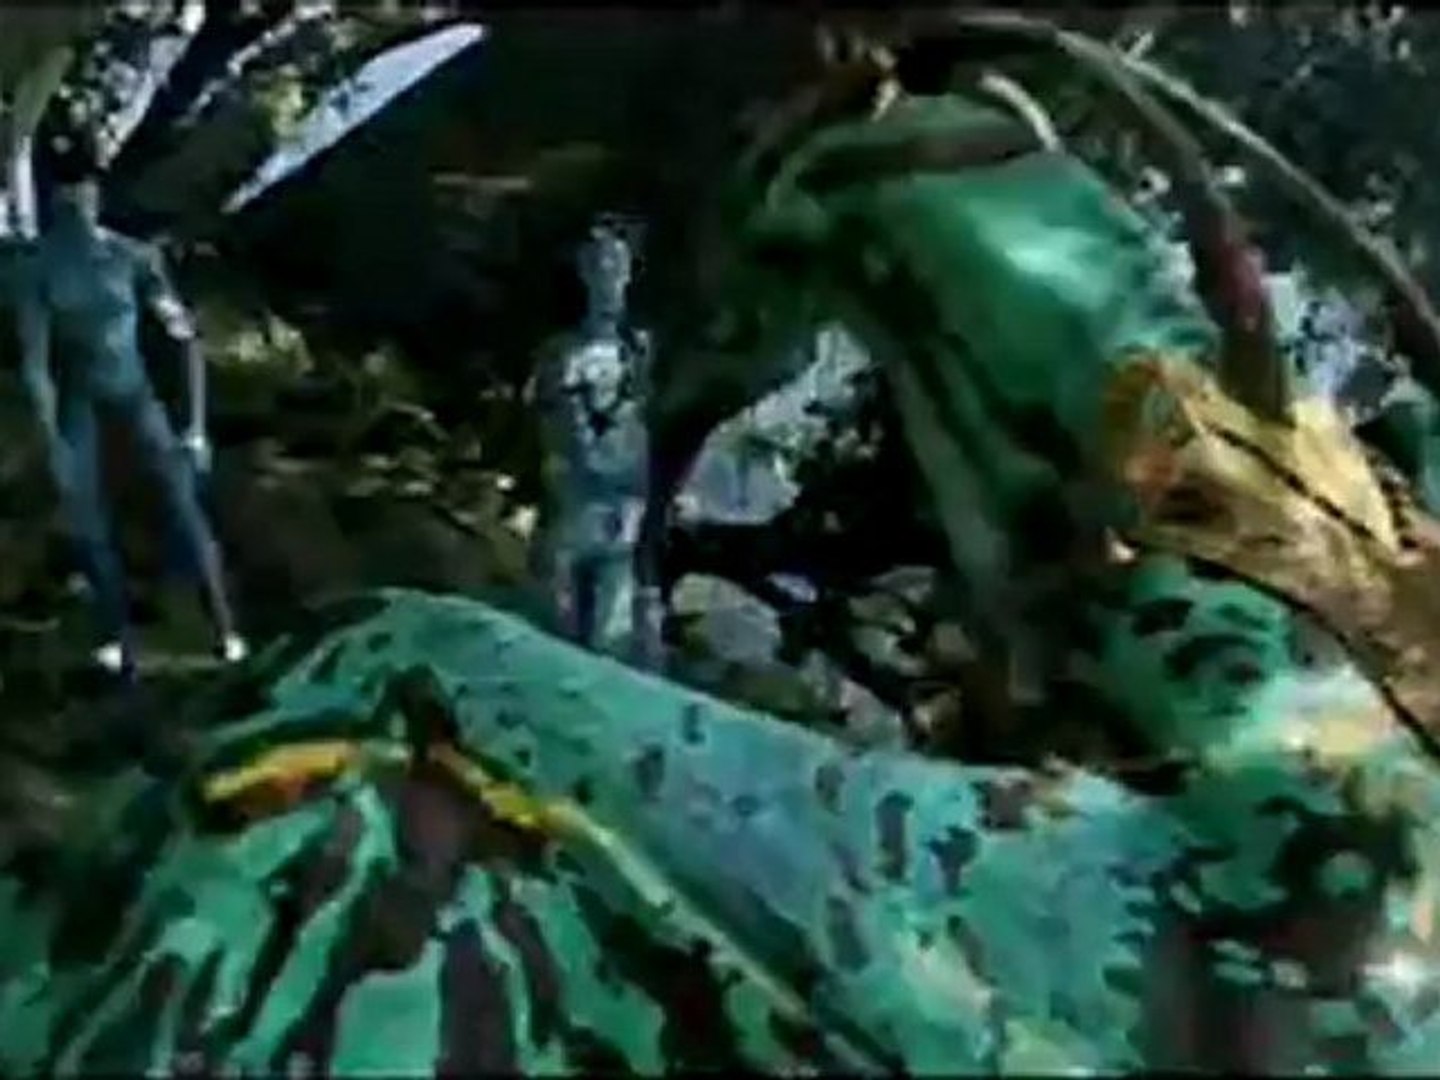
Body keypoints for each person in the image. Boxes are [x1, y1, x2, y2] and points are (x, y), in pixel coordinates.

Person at [11, 167, 245, 680]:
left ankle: (225, 629)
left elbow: (184, 337)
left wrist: (196, 425)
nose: (76, 201)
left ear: (95, 195)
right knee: (87, 516)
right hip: (82, 402)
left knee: (182, 505)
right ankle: (113, 635)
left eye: (83, 191)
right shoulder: (37, 269)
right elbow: (36, 363)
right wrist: (52, 438)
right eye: (67, 193)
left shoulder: (132, 257)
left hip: (135, 396)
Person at [531, 216, 663, 667]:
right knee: (557, 637)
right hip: (573, 510)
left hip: (626, 511)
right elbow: (550, 431)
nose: (608, 276)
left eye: (616, 264)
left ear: (630, 273)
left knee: (615, 643)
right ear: (583, 271)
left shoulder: (644, 352)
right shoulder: (559, 354)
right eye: (598, 264)